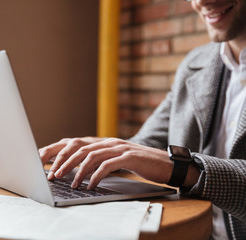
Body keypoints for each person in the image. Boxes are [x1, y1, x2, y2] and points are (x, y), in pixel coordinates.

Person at [39, 0, 246, 239]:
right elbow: (148, 143)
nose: (200, 2)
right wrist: (101, 151)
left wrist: (183, 169)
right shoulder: (195, 63)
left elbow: (167, 162)